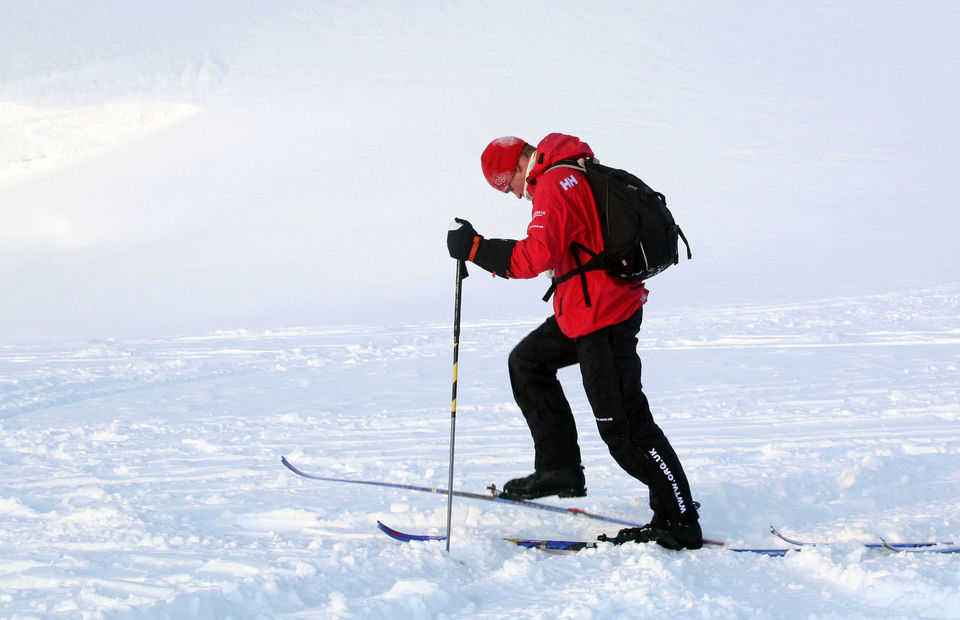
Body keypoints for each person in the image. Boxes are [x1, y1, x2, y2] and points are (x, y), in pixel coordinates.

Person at [446, 133, 701, 550]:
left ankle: (680, 520)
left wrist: (476, 248)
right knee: (527, 363)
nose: (512, 195)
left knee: (625, 430)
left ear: (512, 172)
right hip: (584, 310)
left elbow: (535, 257)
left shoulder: (552, 183)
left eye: (506, 186)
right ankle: (558, 470)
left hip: (603, 316)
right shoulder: (571, 172)